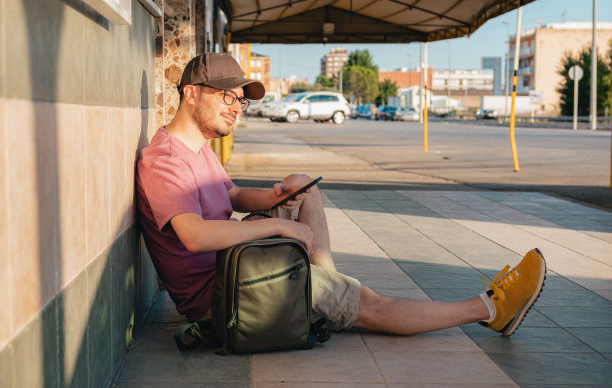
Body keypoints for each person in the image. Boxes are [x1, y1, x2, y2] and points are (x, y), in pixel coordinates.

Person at [136, 52, 546, 338]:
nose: (236, 107)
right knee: (367, 303)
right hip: (221, 299)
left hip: (233, 268)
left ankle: (328, 285)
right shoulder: (164, 160)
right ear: (192, 93)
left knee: (301, 182)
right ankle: (490, 309)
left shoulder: (197, 147)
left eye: (240, 100)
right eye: (228, 96)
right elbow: (194, 236)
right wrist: (279, 224)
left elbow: (233, 195)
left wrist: (280, 196)